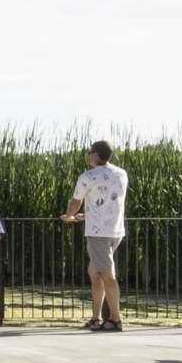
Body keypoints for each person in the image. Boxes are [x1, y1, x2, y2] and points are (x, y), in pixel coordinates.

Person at [63, 139, 127, 332]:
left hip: (98, 233)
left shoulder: (88, 176)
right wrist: (88, 215)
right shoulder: (121, 174)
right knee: (94, 272)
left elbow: (76, 200)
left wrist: (69, 216)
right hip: (116, 230)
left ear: (96, 155)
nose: (89, 155)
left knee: (107, 275)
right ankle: (95, 317)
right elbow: (109, 201)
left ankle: (115, 318)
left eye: (91, 152)